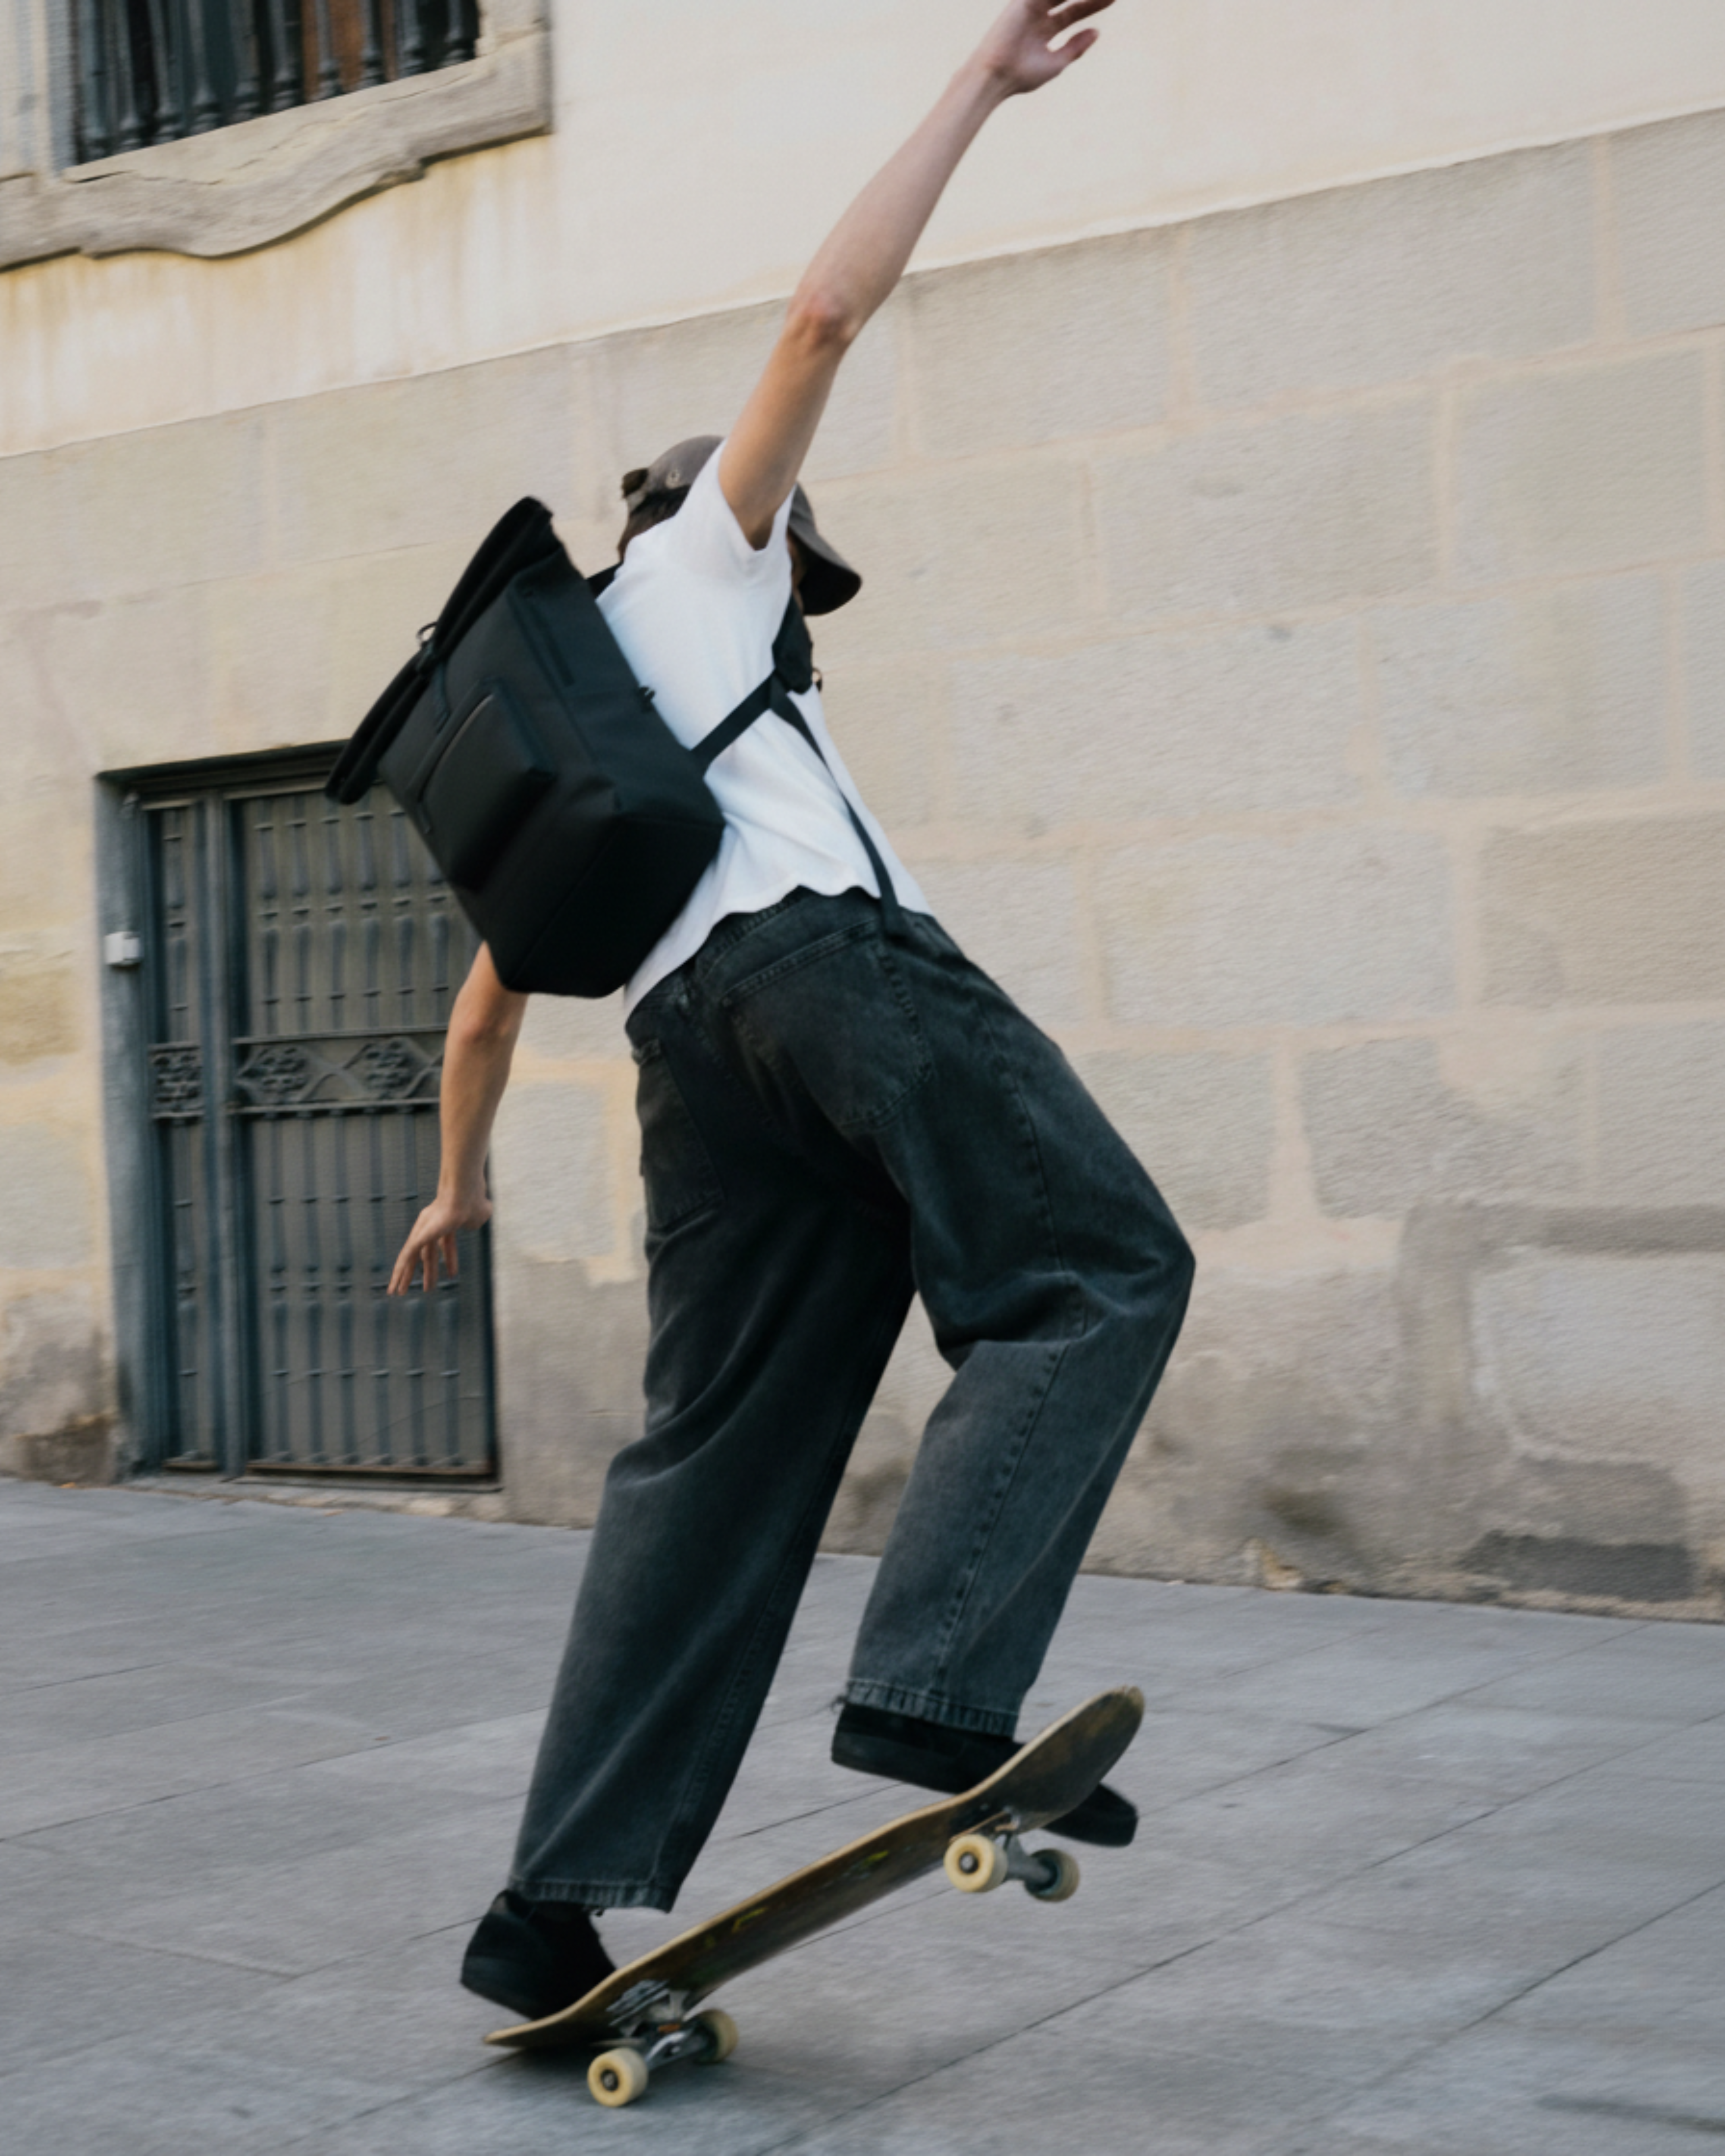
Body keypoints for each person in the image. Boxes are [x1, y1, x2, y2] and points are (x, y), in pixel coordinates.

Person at [389, 0, 1194, 2024]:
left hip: (696, 1069)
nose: (806, 601)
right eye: (801, 563)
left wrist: (456, 1185)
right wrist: (976, 88)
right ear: (748, 527)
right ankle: (933, 1694)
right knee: (1095, 1267)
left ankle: (546, 1905)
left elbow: (489, 1002)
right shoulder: (702, 570)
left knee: (714, 1462)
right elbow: (824, 317)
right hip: (839, 981)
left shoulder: (584, 729)